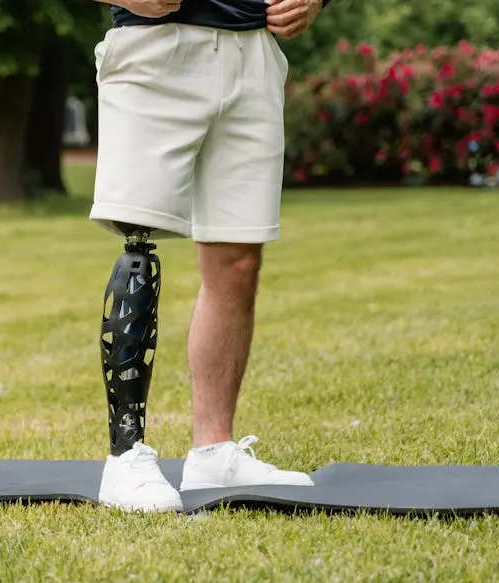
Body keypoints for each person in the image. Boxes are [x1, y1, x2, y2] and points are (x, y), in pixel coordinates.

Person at [92, 0, 331, 512]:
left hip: (254, 52)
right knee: (138, 242)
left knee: (239, 259)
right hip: (157, 45)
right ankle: (125, 455)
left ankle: (214, 450)